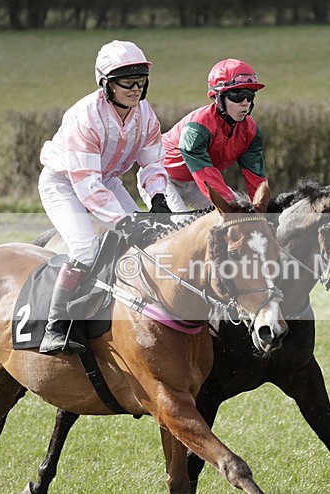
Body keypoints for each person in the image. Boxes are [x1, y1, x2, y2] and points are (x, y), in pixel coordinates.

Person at [37, 40, 172, 355]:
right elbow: (86, 184)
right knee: (86, 246)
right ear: (106, 84)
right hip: (64, 183)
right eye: (127, 81)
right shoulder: (85, 117)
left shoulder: (146, 115)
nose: (135, 88)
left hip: (106, 181)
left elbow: (152, 163)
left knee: (149, 240)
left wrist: (157, 199)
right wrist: (125, 220)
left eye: (140, 81)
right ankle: (54, 326)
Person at [154, 58, 268, 211]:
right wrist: (233, 207)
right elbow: (207, 176)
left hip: (195, 182)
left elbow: (256, 181)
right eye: (238, 95)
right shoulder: (197, 129)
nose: (245, 102)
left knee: (241, 219)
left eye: (250, 95)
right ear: (218, 97)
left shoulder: (251, 131)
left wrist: (264, 212)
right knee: (180, 226)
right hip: (163, 178)